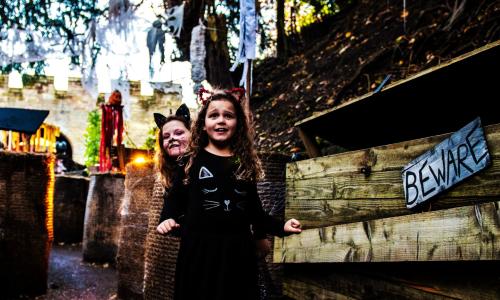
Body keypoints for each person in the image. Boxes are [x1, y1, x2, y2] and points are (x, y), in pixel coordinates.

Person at [157, 87, 301, 300]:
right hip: (199, 253)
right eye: (214, 115)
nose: (221, 120)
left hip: (238, 253)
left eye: (228, 115)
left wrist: (281, 226)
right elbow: (174, 198)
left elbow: (255, 211)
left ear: (238, 124)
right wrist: (166, 218)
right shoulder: (191, 161)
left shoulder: (241, 163)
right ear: (203, 125)